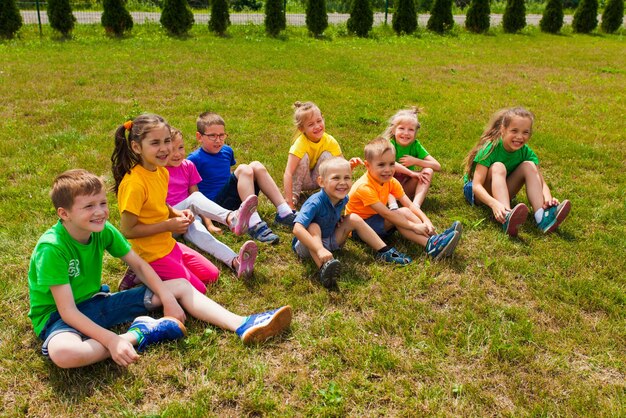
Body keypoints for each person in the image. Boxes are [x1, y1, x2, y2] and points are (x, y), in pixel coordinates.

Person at [28, 169, 293, 369]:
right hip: (59, 319)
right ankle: (140, 333)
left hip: (97, 304)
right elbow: (68, 311)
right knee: (64, 354)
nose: (100, 212)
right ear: (64, 214)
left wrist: (167, 298)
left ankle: (242, 323)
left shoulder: (103, 230)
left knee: (178, 284)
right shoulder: (52, 248)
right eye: (89, 206)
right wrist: (113, 340)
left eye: (102, 203)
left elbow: (139, 265)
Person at [111, 114, 219, 294]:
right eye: (155, 143)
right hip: (149, 253)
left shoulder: (161, 171)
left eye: (167, 141)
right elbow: (128, 231)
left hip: (167, 244)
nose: (164, 149)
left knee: (212, 275)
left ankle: (143, 274)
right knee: (198, 290)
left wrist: (176, 214)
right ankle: (141, 271)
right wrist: (168, 225)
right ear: (136, 147)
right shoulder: (134, 185)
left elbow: (159, 205)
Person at [292, 157, 412, 289]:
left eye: (347, 178)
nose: (343, 183)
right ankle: (324, 269)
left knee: (353, 218)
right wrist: (319, 249)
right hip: (308, 246)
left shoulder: (343, 198)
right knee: (314, 226)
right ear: (321, 182)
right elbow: (297, 229)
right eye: (336, 178)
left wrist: (339, 220)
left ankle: (385, 252)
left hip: (330, 240)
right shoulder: (314, 202)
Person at [187, 112, 297, 245]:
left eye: (222, 135)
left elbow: (227, 179)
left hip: (236, 202)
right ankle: (253, 223)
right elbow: (195, 195)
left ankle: (284, 212)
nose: (218, 140)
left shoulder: (227, 151)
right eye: (212, 136)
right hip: (216, 208)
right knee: (244, 169)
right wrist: (208, 224)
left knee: (256, 166)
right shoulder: (194, 160)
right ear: (199, 136)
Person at [345, 137, 461, 260]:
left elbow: (409, 205)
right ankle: (430, 245)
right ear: (367, 165)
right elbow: (386, 213)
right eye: (381, 165)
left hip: (377, 220)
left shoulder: (391, 181)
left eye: (391, 164)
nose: (388, 170)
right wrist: (414, 226)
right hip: (360, 230)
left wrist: (427, 221)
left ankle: (436, 238)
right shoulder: (364, 187)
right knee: (398, 216)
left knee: (403, 212)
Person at [463, 107, 571, 236]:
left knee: (529, 166)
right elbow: (476, 186)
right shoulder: (490, 148)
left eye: (525, 132)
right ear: (503, 130)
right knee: (498, 166)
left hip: (502, 190)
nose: (519, 137)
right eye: (514, 131)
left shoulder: (526, 152)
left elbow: (541, 182)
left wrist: (547, 200)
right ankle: (506, 215)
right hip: (478, 194)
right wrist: (494, 204)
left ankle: (541, 217)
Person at [166, 127, 258, 279]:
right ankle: (231, 218)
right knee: (193, 199)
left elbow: (199, 201)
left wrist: (208, 224)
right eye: (171, 150)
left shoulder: (188, 166)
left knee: (205, 238)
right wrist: (178, 214)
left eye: (180, 147)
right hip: (167, 221)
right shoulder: (158, 172)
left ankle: (236, 262)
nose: (177, 154)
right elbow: (190, 200)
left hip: (187, 218)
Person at [283, 101, 345, 210]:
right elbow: (288, 173)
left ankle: (327, 193)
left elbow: (343, 165)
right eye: (311, 124)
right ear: (302, 129)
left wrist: (351, 165)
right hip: (302, 181)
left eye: (319, 121)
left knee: (327, 156)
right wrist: (289, 204)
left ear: (323, 119)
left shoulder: (330, 141)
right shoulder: (300, 144)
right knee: (302, 157)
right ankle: (295, 195)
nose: (317, 126)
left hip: (319, 180)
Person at [381, 107, 441, 210]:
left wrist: (415, 161)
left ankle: (416, 205)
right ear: (394, 130)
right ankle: (393, 204)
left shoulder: (415, 146)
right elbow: (390, 164)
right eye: (401, 128)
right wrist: (411, 173)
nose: (406, 133)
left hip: (405, 189)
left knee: (428, 171)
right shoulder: (389, 144)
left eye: (411, 129)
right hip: (387, 189)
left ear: (415, 133)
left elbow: (437, 166)